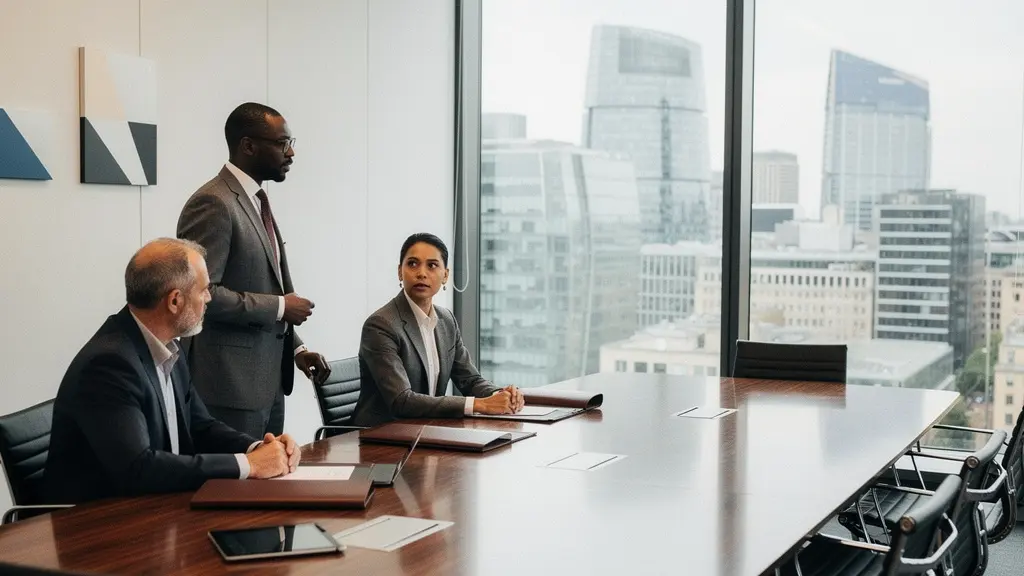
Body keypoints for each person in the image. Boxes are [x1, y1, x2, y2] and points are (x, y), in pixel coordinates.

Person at [44, 239, 300, 504]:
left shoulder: (167, 346)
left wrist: (259, 449)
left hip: (157, 509)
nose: (209, 298)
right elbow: (138, 469)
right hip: (97, 526)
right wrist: (248, 465)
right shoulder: (109, 365)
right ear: (175, 301)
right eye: (204, 290)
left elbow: (201, 426)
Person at [176, 102, 330, 439]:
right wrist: (280, 307)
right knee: (234, 490)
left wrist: (298, 349)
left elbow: (263, 283)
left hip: (268, 382)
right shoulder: (214, 203)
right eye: (282, 143)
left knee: (267, 485)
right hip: (228, 388)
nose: (290, 153)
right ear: (248, 146)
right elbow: (200, 295)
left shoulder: (255, 199)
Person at [352, 233, 525, 426]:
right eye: (412, 264)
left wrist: (500, 395)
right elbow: (402, 401)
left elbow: (470, 380)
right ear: (400, 272)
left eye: (432, 265)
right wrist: (480, 405)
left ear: (445, 275)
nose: (421, 273)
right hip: (379, 438)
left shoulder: (446, 320)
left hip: (425, 432)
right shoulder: (381, 325)